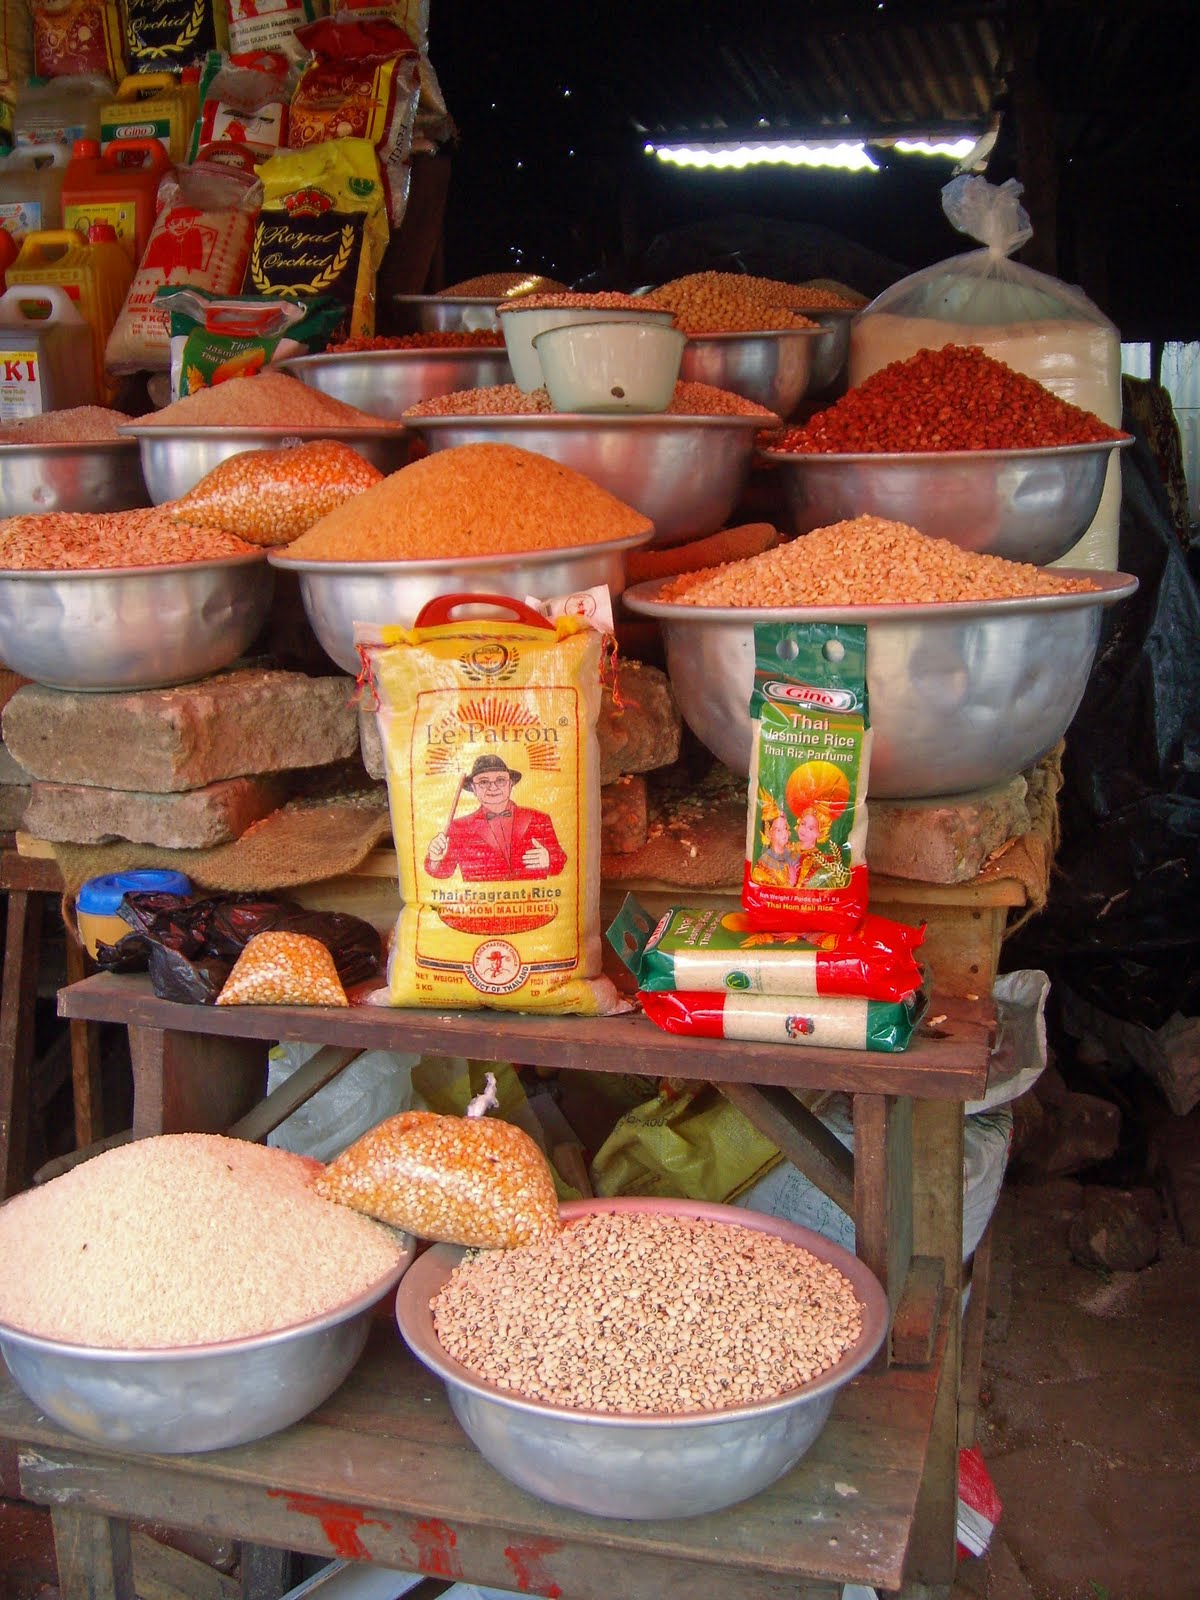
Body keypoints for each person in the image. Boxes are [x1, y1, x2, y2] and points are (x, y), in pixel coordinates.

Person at [425, 754, 567, 882]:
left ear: (510, 784)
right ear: (474, 789)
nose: (493, 788)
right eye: (484, 782)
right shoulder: (459, 828)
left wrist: (549, 859)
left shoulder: (539, 820)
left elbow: (560, 861)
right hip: (481, 907)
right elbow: (443, 872)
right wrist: (434, 859)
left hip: (531, 904)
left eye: (500, 780)